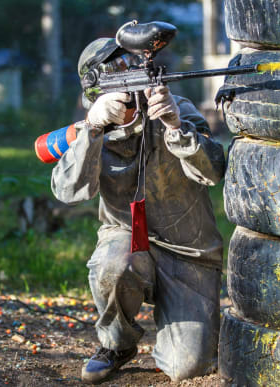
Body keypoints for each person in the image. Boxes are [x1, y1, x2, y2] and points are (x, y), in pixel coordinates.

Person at [50, 36, 226, 384]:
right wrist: (94, 128)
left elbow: (213, 171)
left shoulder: (175, 109)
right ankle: (116, 344)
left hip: (189, 252)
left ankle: (176, 332)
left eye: (131, 77)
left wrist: (176, 126)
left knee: (189, 367)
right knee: (111, 265)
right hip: (129, 243)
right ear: (98, 94)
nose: (130, 99)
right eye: (117, 84)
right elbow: (68, 191)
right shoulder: (93, 130)